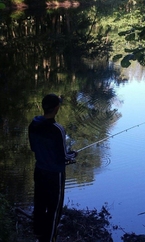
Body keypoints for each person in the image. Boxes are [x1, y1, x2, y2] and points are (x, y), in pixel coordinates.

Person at [28, 93, 77, 242]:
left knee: (40, 204)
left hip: (40, 170)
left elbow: (34, 148)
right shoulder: (58, 129)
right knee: (54, 209)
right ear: (56, 108)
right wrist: (73, 156)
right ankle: (49, 239)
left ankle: (38, 234)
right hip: (55, 175)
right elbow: (64, 155)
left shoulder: (33, 124)